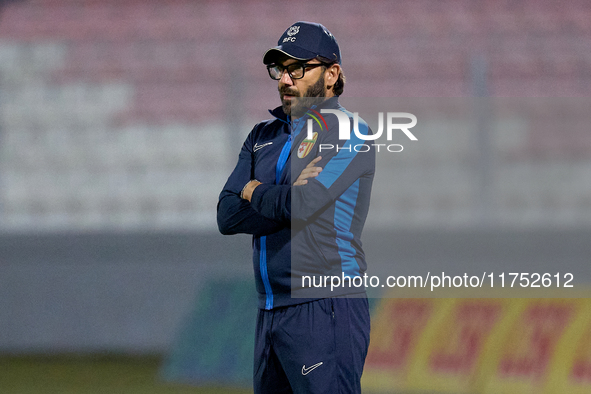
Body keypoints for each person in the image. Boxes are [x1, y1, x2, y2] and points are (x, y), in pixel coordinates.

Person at [217, 21, 375, 394]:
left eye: (297, 68)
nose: (284, 80)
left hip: (325, 308)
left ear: (332, 73)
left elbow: (306, 204)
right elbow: (226, 214)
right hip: (269, 311)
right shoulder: (261, 135)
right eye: (280, 69)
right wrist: (281, 198)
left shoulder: (350, 131)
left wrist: (253, 189)